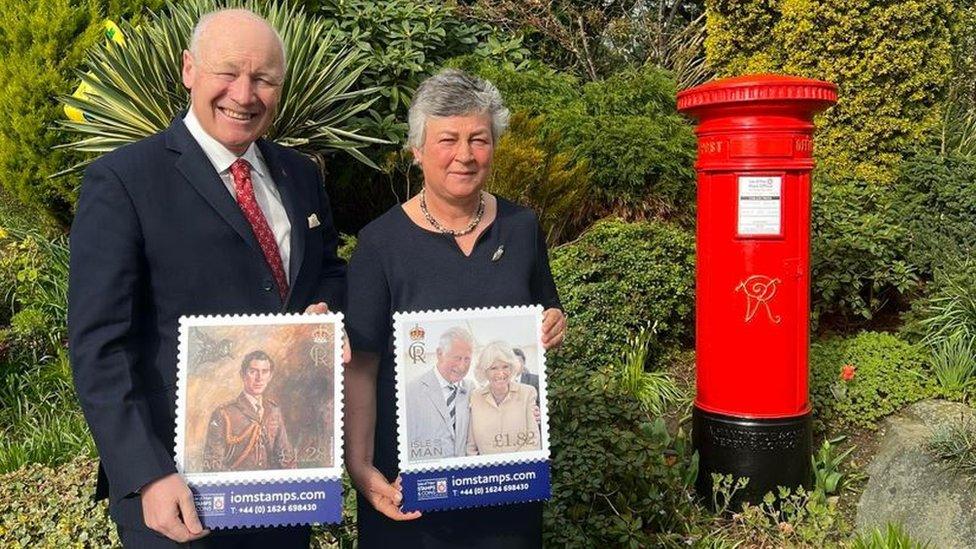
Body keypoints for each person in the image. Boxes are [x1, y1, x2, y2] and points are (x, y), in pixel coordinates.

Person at [68, 9, 346, 548]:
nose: (244, 94)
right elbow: (99, 345)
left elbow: (329, 271)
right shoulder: (124, 180)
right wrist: (147, 472)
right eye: (228, 73)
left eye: (264, 79)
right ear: (189, 69)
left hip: (280, 490)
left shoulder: (300, 175)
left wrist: (326, 312)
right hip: (176, 493)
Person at [344, 69, 567, 548]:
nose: (464, 155)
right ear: (418, 150)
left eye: (479, 140)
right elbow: (361, 366)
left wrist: (552, 322)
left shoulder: (521, 227)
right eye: (448, 139)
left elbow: (546, 307)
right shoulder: (379, 244)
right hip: (410, 491)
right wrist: (362, 470)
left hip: (505, 484)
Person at [202, 351, 296, 472]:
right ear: (242, 375)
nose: (259, 378)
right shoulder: (223, 414)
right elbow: (212, 464)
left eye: (264, 372)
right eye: (253, 371)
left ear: (270, 376)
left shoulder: (273, 410)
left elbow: (285, 456)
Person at [405, 327, 476, 462]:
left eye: (467, 359)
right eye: (457, 358)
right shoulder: (412, 391)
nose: (462, 366)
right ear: (439, 353)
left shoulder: (472, 389)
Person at [466, 342, 541, 456]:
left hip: (521, 471)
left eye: (505, 366)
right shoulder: (475, 397)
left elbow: (533, 441)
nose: (500, 373)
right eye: (493, 368)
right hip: (486, 472)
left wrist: (509, 469)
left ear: (512, 368)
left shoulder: (528, 393)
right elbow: (471, 446)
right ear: (484, 371)